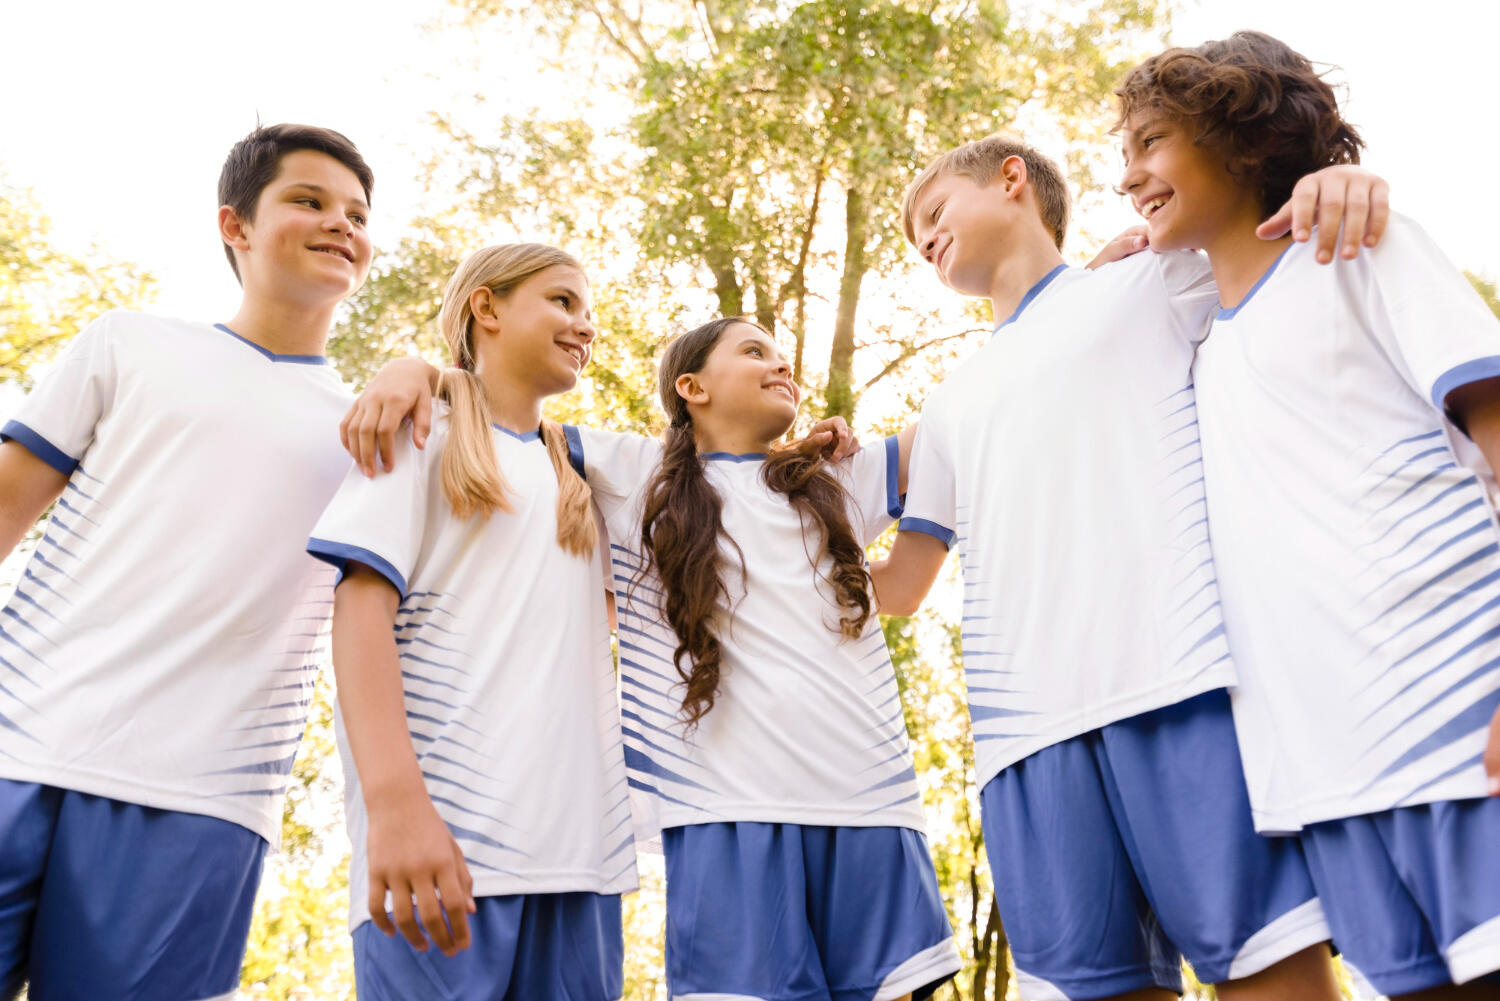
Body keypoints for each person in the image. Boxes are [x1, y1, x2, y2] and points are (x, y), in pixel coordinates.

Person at [872, 135, 1392, 1001]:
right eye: (916, 240)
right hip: (1024, 742)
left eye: (934, 215)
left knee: (1269, 967)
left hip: (1179, 687)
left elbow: (1286, 244)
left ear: (1012, 182)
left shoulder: (1153, 281)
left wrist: (1327, 177)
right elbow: (899, 585)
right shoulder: (949, 403)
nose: (925, 241)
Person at [1116, 30, 1500, 997]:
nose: (1130, 177)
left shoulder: (1364, 251)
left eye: (1152, 142)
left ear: (1244, 140)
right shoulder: (1198, 347)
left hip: (1465, 734)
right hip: (1332, 786)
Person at [0, 123, 373, 1000]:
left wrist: (420, 374)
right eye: (309, 201)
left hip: (204, 799)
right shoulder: (128, 343)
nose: (341, 225)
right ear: (235, 226)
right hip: (17, 743)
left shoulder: (370, 432)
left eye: (358, 213)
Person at [568, 316, 959, 1001]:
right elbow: (498, 424)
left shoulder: (836, 483)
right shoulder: (633, 477)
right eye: (755, 352)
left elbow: (969, 419)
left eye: (783, 356)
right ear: (692, 387)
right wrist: (417, 375)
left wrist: (1055, 304)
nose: (781, 366)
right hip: (723, 811)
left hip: (870, 807)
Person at [307, 243, 636, 999]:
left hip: (582, 870)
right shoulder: (423, 431)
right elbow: (359, 609)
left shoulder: (584, 473)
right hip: (442, 859)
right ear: (486, 307)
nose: (584, 325)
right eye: (562, 301)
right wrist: (396, 807)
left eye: (589, 311)